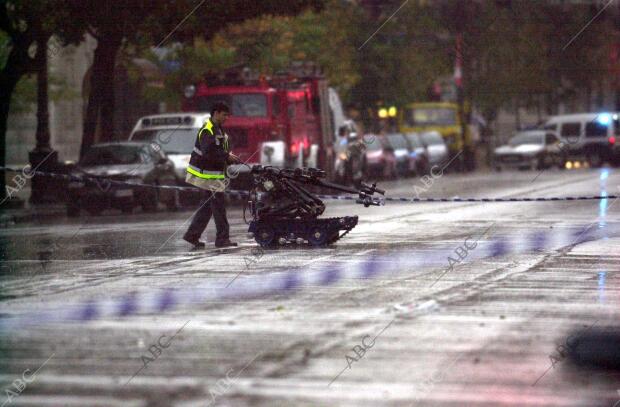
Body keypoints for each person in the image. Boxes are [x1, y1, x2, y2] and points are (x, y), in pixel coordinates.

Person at [183, 102, 241, 249]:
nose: (227, 118)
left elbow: (219, 150)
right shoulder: (208, 130)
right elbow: (208, 152)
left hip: (213, 175)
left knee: (207, 207)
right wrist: (227, 157)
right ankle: (222, 239)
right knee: (219, 206)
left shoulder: (218, 129)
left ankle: (192, 235)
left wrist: (228, 156)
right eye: (224, 114)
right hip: (208, 176)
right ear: (216, 113)